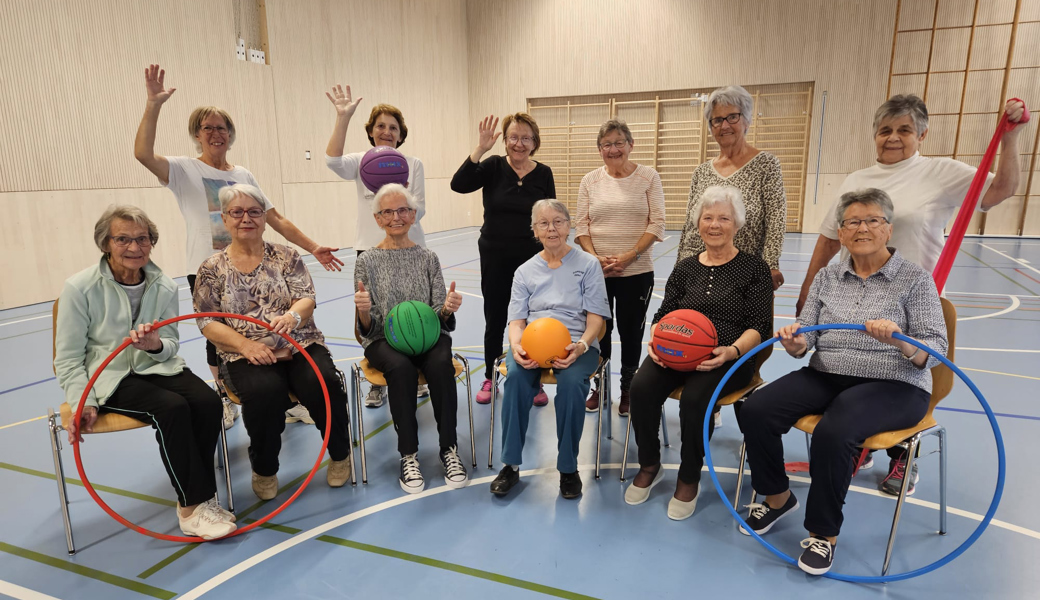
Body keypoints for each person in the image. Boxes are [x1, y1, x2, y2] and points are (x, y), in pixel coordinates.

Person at [795, 94, 1024, 495]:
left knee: (905, 380)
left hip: (912, 298)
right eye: (885, 130)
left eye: (904, 129)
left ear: (922, 133)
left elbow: (1000, 190)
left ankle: (903, 458)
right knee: (851, 372)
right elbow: (830, 238)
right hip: (857, 294)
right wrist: (807, 291)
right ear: (875, 135)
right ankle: (856, 446)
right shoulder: (855, 180)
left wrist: (1011, 138)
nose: (894, 137)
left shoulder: (940, 172)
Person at [739, 188, 948, 575]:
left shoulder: (915, 279)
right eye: (853, 221)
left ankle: (823, 534)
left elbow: (935, 348)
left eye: (872, 220)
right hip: (827, 373)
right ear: (842, 231)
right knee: (756, 409)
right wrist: (797, 341)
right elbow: (809, 337)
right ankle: (778, 496)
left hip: (895, 383)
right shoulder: (828, 275)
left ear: (888, 230)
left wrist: (901, 340)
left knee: (835, 432)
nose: (862, 228)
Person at [134, 63, 341, 428]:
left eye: (222, 127)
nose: (216, 133)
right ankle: (224, 395)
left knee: (268, 329)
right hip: (209, 268)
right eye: (207, 127)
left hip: (255, 264)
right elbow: (143, 154)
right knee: (219, 339)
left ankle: (286, 400)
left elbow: (276, 218)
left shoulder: (243, 174)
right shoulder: (184, 170)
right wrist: (153, 104)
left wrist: (313, 247)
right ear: (197, 135)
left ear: (231, 134)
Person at [54, 205, 235, 539]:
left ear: (151, 243)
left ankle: (202, 497)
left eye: (142, 239)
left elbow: (170, 345)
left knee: (209, 403)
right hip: (109, 376)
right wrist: (84, 401)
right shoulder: (80, 288)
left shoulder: (164, 285)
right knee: (172, 408)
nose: (134, 248)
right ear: (105, 243)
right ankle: (191, 506)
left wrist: (154, 346)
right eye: (123, 239)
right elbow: (67, 359)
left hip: (158, 367)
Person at [193, 184, 352, 501]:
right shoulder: (212, 269)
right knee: (264, 394)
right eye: (237, 212)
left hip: (300, 343)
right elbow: (207, 321)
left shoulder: (286, 256)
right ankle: (265, 468)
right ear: (225, 219)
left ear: (264, 218)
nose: (245, 218)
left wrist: (292, 318)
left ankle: (339, 454)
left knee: (323, 383)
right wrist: (245, 346)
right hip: (246, 354)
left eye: (254, 211)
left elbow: (306, 297)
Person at [624, 186, 773, 520]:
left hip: (728, 355)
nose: (715, 224)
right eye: (708, 217)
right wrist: (656, 342)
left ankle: (689, 474)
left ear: (737, 224)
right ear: (698, 224)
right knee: (641, 388)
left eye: (724, 217)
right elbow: (663, 315)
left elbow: (760, 325)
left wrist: (732, 351)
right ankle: (650, 463)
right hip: (677, 350)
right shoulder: (686, 267)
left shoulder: (754, 269)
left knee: (695, 400)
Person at [488, 200, 610, 500]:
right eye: (543, 223)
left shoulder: (588, 265)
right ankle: (511, 464)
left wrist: (580, 346)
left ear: (569, 226)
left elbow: (596, 319)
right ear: (534, 230)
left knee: (570, 384)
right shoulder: (525, 271)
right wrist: (516, 347)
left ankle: (568, 468)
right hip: (532, 346)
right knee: (515, 379)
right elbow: (516, 321)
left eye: (558, 221)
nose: (551, 228)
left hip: (576, 346)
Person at [353, 184, 467, 494]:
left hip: (429, 336)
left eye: (403, 210)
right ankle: (409, 454)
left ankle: (449, 449)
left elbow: (439, 314)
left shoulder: (428, 257)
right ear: (378, 219)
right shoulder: (367, 261)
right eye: (387, 212)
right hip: (383, 338)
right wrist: (363, 313)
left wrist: (446, 309)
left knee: (442, 364)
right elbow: (367, 326)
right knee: (401, 370)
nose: (396, 217)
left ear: (413, 215)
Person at [325, 84, 429, 407]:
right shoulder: (360, 161)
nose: (386, 131)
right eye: (380, 126)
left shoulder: (412, 164)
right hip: (370, 252)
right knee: (369, 317)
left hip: (410, 250)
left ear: (401, 134)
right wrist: (342, 118)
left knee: (414, 314)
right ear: (371, 132)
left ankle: (416, 371)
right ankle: (378, 378)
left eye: (393, 127)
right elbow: (331, 161)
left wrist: (399, 197)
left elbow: (420, 209)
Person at [451, 113, 557, 406]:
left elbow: (550, 217)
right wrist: (480, 148)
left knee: (532, 319)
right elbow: (458, 185)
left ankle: (533, 378)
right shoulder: (494, 166)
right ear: (505, 139)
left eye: (526, 138)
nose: (519, 143)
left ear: (534, 142)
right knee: (495, 317)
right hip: (495, 255)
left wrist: (554, 253)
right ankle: (489, 374)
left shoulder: (543, 173)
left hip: (532, 260)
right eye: (513, 137)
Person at [575, 118, 666, 417]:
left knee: (630, 332)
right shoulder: (590, 180)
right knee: (599, 329)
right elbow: (581, 226)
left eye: (618, 143)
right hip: (597, 272)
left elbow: (657, 223)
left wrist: (630, 255)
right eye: (606, 145)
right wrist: (594, 259)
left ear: (630, 145)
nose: (613, 150)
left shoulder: (649, 177)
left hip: (636, 272)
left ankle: (628, 388)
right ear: (599, 149)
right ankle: (600, 387)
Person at [676, 85, 787, 291]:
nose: (724, 125)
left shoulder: (766, 164)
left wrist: (771, 264)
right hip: (700, 275)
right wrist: (681, 268)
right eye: (717, 120)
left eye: (732, 117)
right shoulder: (701, 172)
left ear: (746, 121)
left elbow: (776, 219)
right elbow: (690, 227)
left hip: (746, 276)